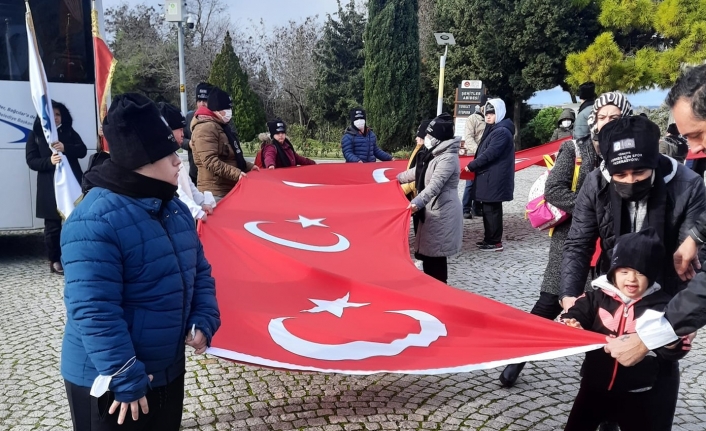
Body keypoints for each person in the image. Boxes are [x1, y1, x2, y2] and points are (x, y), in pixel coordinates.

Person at [61, 93, 221, 430]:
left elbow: (201, 272)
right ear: (141, 161)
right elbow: (93, 309)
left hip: (166, 371)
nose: (179, 161)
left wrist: (204, 318)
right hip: (112, 381)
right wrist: (124, 374)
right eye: (169, 154)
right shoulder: (94, 219)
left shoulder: (174, 208)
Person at [559, 114, 706, 430]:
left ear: (656, 162)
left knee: (658, 370)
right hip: (613, 285)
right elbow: (579, 241)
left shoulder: (688, 185)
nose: (629, 180)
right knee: (603, 370)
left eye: (639, 172)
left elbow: (692, 262)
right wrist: (571, 295)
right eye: (620, 174)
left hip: (662, 292)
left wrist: (679, 322)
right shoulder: (595, 183)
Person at [603, 64, 706, 371]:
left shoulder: (688, 184)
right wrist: (697, 237)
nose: (696, 149)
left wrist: (651, 336)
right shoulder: (596, 184)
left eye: (698, 134)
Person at [498, 98, 602, 387]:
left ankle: (598, 382)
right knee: (547, 305)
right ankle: (516, 361)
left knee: (602, 314)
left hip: (605, 247)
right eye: (600, 118)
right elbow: (554, 191)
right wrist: (589, 206)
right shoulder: (573, 149)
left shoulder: (621, 155)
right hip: (569, 242)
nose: (606, 124)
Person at [561, 228, 690, 431]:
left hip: (638, 392)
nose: (631, 279)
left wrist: (673, 343)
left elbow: (672, 350)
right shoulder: (596, 297)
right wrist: (572, 322)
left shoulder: (661, 306)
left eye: (640, 273)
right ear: (613, 272)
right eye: (624, 271)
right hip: (593, 386)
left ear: (652, 275)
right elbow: (577, 313)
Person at [397, 113, 463, 283]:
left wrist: (416, 203)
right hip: (432, 211)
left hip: (442, 213)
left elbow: (435, 185)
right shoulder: (434, 154)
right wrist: (395, 180)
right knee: (429, 256)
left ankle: (439, 293)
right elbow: (418, 172)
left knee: (436, 257)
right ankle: (432, 290)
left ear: (437, 137)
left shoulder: (447, 158)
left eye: (428, 135)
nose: (425, 138)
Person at [25, 101, 87, 274]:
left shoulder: (68, 132)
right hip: (49, 188)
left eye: (58, 114)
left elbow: (82, 150)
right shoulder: (36, 134)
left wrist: (66, 148)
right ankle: (54, 260)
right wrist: (49, 162)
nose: (55, 117)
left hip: (71, 186)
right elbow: (31, 160)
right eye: (51, 114)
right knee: (52, 228)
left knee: (74, 223)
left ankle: (74, 257)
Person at [464, 98, 515, 252]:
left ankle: (494, 241)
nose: (488, 116)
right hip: (490, 176)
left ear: (498, 113)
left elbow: (490, 154)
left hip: (495, 177)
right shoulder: (495, 129)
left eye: (492, 113)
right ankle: (490, 239)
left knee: (492, 210)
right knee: (488, 209)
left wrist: (472, 165)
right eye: (487, 113)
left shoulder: (501, 131)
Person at [190, 87, 258, 201]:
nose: (229, 112)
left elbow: (232, 156)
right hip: (215, 192)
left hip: (227, 189)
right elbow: (210, 161)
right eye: (227, 109)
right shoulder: (205, 128)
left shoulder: (221, 126)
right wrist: (237, 174)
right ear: (217, 109)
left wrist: (249, 167)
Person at [158, 102, 216, 222]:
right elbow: (175, 190)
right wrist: (195, 211)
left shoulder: (175, 154)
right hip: (178, 218)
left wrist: (201, 201)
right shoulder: (160, 161)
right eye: (179, 129)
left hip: (188, 217)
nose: (183, 134)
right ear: (167, 130)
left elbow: (188, 184)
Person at [183, 82, 213, 184]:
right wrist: (189, 143)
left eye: (205, 100)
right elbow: (180, 139)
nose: (202, 104)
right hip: (194, 174)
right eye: (199, 100)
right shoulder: (189, 117)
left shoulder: (219, 118)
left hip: (212, 176)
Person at [462, 103, 486, 219]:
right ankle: (465, 208)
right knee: (470, 182)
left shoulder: (490, 119)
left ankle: (477, 207)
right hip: (474, 154)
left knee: (481, 182)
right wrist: (478, 151)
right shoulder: (472, 119)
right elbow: (469, 137)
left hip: (485, 155)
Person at [400, 120, 431, 200]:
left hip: (421, 197)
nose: (416, 138)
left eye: (419, 136)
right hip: (415, 193)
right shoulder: (419, 149)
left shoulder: (426, 153)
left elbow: (420, 175)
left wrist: (404, 187)